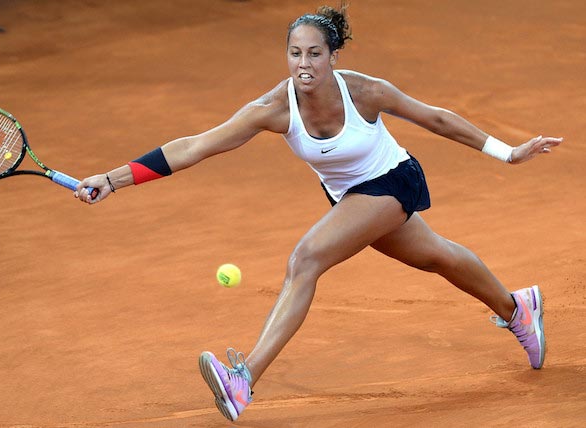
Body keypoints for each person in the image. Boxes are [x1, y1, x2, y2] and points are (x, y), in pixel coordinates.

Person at [75, 4, 562, 422]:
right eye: (295, 53)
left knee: (305, 259)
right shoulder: (274, 107)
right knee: (436, 255)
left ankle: (243, 380)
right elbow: (193, 147)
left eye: (314, 54)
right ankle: (517, 308)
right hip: (351, 199)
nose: (303, 64)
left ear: (332, 57)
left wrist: (508, 153)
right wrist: (112, 179)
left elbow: (434, 118)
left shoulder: (365, 91)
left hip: (394, 181)